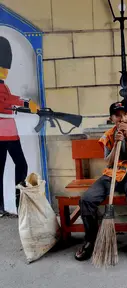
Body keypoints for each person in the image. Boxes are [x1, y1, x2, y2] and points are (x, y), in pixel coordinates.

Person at [74, 102, 127, 265]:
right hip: (112, 174)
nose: (121, 118)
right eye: (117, 115)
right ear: (112, 118)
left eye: (125, 114)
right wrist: (116, 143)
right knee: (86, 200)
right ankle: (91, 241)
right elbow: (108, 161)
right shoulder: (108, 135)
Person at [0, 36, 39, 217]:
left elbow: (8, 100)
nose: (5, 71)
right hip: (4, 134)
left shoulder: (3, 86)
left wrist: (25, 103)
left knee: (19, 165)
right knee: (19, 165)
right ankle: (17, 203)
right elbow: (5, 103)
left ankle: (16, 204)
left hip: (9, 133)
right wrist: (26, 103)